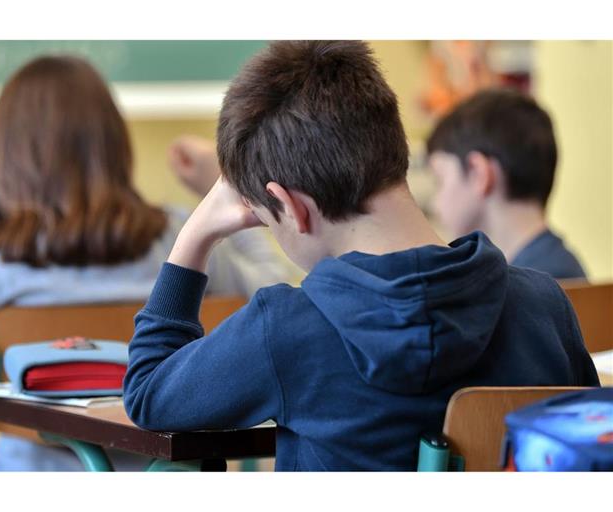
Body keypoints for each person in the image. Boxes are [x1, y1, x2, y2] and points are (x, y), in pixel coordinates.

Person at [123, 41, 600, 471]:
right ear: (393, 148)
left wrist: (196, 234)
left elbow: (146, 392)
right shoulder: (545, 306)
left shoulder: (286, 328)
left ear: (291, 208)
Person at [0, 55, 290, 471]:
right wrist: (224, 189)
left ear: (6, 155)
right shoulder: (180, 238)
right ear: (113, 144)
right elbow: (268, 295)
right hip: (163, 474)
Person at [426, 88, 586, 280]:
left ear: (479, 173)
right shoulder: (555, 267)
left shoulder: (534, 287)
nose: (435, 204)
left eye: (440, 180)